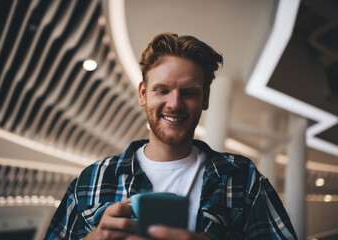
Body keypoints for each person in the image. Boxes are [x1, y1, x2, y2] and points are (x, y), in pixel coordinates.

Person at [44, 32, 297, 240]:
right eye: (162, 90)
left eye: (188, 92)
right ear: (143, 93)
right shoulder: (92, 179)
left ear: (205, 98)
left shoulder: (243, 178)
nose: (174, 104)